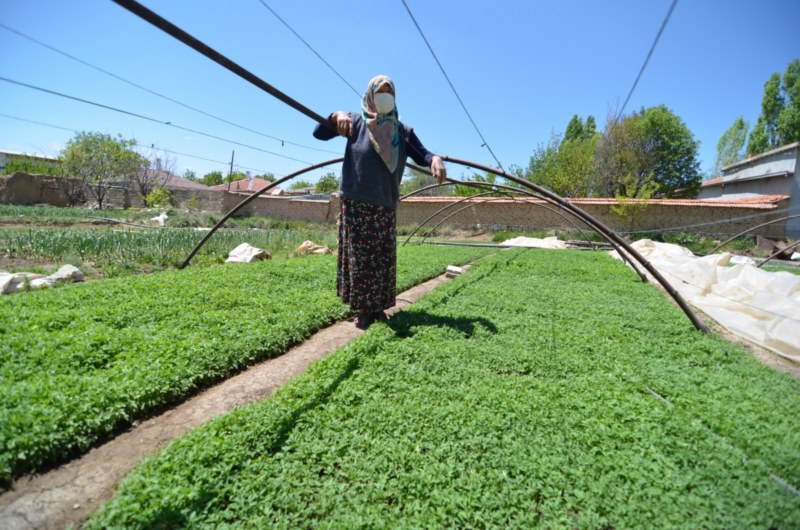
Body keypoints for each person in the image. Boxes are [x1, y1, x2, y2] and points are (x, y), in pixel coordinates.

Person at [313, 74, 447, 329]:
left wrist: (435, 159)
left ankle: (377, 307)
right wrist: (335, 115)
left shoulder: (402, 132)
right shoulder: (353, 122)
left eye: (390, 92)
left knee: (381, 259)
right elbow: (319, 133)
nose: (386, 96)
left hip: (385, 204)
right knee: (361, 259)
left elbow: (423, 155)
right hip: (357, 202)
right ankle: (363, 309)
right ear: (370, 95)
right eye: (381, 91)